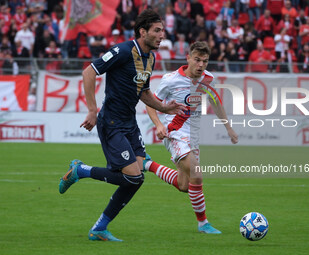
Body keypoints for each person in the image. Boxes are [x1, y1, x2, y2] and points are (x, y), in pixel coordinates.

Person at [58, 9, 186, 242]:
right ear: (142, 31)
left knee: (136, 180)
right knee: (132, 177)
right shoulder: (123, 51)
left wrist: (165, 108)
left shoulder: (151, 58)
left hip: (130, 124)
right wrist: (91, 109)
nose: (161, 35)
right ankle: (81, 171)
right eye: (157, 31)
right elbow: (89, 72)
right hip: (112, 123)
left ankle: (99, 228)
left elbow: (143, 92)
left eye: (162, 31)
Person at [144, 41, 238, 234]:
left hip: (192, 136)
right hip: (174, 132)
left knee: (184, 185)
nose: (201, 65)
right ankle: (203, 223)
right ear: (188, 58)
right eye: (197, 60)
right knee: (197, 173)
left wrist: (228, 128)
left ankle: (147, 165)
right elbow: (150, 104)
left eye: (205, 61)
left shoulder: (208, 78)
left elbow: (216, 102)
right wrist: (159, 125)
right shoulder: (170, 80)